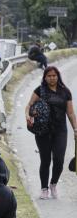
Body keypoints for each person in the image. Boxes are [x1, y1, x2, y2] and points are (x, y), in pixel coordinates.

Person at [25, 66, 77, 199]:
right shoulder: (40, 90)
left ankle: (53, 184)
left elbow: (70, 113)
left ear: (58, 76)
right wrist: (28, 116)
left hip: (60, 130)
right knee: (45, 159)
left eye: (54, 75)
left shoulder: (65, 92)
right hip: (43, 131)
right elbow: (29, 106)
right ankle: (44, 189)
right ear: (45, 77)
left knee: (59, 160)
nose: (52, 78)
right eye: (49, 76)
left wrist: (75, 129)